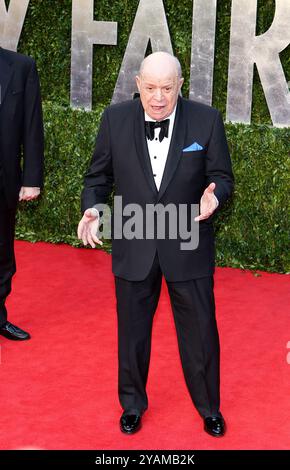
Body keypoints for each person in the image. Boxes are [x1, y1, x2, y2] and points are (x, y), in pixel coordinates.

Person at [78, 52, 234, 437]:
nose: (158, 97)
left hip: (187, 239)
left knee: (200, 333)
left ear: (181, 85)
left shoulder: (206, 120)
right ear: (137, 84)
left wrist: (215, 196)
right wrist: (95, 210)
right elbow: (97, 177)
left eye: (167, 88)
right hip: (134, 238)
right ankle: (132, 405)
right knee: (131, 333)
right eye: (150, 88)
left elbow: (221, 176)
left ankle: (209, 408)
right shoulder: (115, 120)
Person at [0, 47, 44, 340]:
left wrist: (31, 179)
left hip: (4, 179)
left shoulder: (21, 66)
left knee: (2, 253)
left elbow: (32, 125)